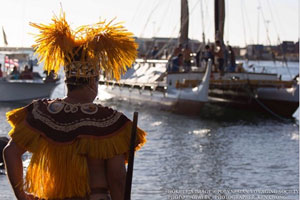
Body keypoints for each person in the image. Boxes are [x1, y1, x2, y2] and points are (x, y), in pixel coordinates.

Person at [3, 12, 146, 200]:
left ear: (68, 81)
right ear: (93, 82)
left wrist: (21, 195)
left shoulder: (41, 113)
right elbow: (117, 178)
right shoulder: (108, 121)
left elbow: (10, 152)